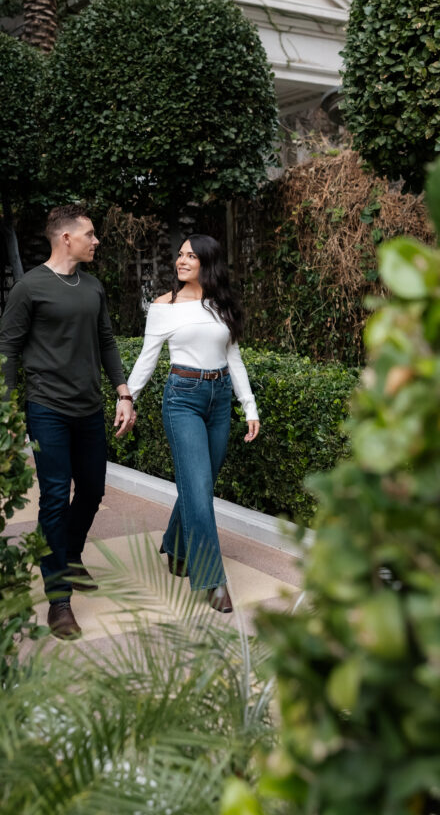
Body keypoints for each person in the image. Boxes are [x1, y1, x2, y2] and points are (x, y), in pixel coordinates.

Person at [0, 204, 136, 639]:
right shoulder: (30, 287)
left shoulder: (92, 287)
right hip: (47, 409)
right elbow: (7, 349)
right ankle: (59, 600)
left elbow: (107, 341)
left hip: (89, 407)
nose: (96, 241)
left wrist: (123, 392)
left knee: (92, 489)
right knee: (56, 497)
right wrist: (5, 407)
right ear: (66, 238)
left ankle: (69, 555)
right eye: (90, 234)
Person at [127, 234, 260, 613]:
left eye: (190, 256)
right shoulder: (163, 307)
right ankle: (212, 580)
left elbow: (233, 359)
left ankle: (175, 545)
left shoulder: (221, 305)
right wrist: (128, 399)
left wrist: (248, 407)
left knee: (200, 484)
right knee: (199, 487)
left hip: (218, 401)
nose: (181, 261)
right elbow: (146, 359)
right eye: (180, 255)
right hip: (182, 397)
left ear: (207, 262)